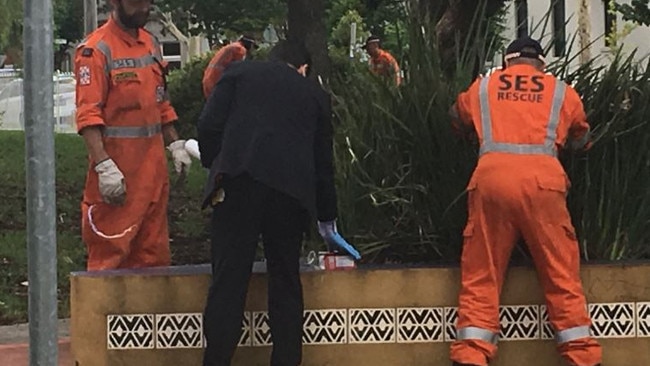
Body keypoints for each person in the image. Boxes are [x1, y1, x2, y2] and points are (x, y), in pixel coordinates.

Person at [197, 40, 360, 366]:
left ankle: (216, 359)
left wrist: (219, 163)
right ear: (303, 68)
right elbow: (322, 166)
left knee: (229, 280)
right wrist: (327, 221)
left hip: (237, 185)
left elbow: (207, 126)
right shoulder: (314, 95)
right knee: (285, 280)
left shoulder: (239, 74)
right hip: (290, 195)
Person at [448, 36, 602, 366]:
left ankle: (471, 355)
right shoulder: (561, 91)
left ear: (507, 62)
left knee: (481, 275)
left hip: (491, 182)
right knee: (561, 276)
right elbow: (582, 138)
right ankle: (583, 357)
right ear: (541, 65)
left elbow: (457, 118)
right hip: (544, 185)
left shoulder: (484, 87)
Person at [74, 0, 192, 271]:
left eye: (147, 2)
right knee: (110, 256)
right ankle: (105, 313)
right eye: (136, 2)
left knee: (153, 258)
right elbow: (88, 114)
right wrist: (103, 165)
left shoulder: (150, 44)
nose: (144, 8)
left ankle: (148, 313)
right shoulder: (96, 50)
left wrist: (175, 143)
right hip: (119, 179)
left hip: (152, 177)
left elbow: (161, 102)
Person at [202, 34, 258, 98]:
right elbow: (238, 71)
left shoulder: (232, 46)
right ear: (249, 44)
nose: (253, 50)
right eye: (254, 47)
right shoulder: (240, 49)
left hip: (209, 80)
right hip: (217, 82)